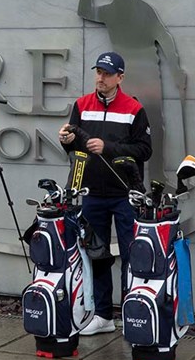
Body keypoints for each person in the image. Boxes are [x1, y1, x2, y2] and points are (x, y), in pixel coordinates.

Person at [59, 52, 152, 335]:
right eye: (98, 72)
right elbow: (76, 151)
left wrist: (109, 147)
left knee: (130, 254)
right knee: (96, 254)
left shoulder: (134, 109)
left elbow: (145, 150)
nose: (101, 78)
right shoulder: (81, 105)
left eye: (107, 73)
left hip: (124, 194)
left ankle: (131, 314)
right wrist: (66, 141)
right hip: (92, 193)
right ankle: (102, 315)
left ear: (120, 78)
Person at [78, 0, 187, 182]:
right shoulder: (136, 9)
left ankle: (153, 179)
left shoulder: (116, 11)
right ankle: (148, 178)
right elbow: (163, 38)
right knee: (148, 127)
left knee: (138, 127)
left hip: (128, 77)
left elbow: (85, 9)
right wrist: (175, 70)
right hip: (134, 77)